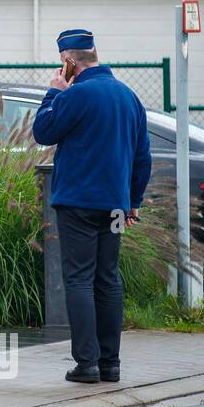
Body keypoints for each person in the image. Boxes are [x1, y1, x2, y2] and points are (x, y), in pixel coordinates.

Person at [32, 29, 152, 384]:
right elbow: (142, 157)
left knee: (80, 279)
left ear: (69, 61)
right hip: (115, 206)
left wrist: (54, 91)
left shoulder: (77, 94)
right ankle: (111, 364)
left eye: (61, 62)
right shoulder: (129, 97)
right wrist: (132, 202)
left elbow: (43, 131)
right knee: (108, 279)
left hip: (78, 204)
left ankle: (87, 364)